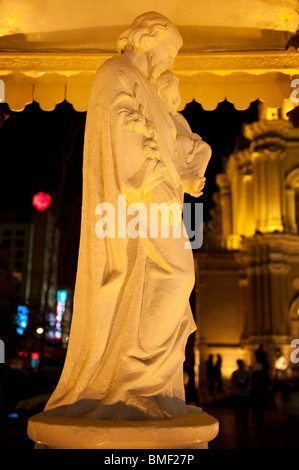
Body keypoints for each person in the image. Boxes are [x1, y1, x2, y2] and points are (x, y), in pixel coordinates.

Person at [44, 12, 203, 420]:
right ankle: (135, 375)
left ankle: (141, 377)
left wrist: (182, 170)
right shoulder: (115, 73)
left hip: (154, 197)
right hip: (138, 200)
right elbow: (124, 134)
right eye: (171, 49)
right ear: (150, 39)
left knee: (164, 276)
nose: (171, 60)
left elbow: (163, 138)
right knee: (178, 273)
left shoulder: (142, 84)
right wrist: (157, 178)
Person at [155, 70, 211, 198]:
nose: (175, 103)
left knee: (206, 149)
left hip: (187, 153)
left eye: (176, 98)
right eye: (169, 100)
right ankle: (182, 177)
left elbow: (187, 132)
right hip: (174, 156)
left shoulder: (179, 118)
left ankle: (195, 178)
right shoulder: (159, 119)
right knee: (181, 141)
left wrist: (193, 138)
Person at [231, 359, 250, 428]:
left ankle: (244, 421)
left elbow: (250, 381)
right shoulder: (235, 373)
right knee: (238, 409)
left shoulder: (246, 373)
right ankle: (238, 421)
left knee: (244, 409)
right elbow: (233, 381)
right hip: (238, 393)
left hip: (243, 393)